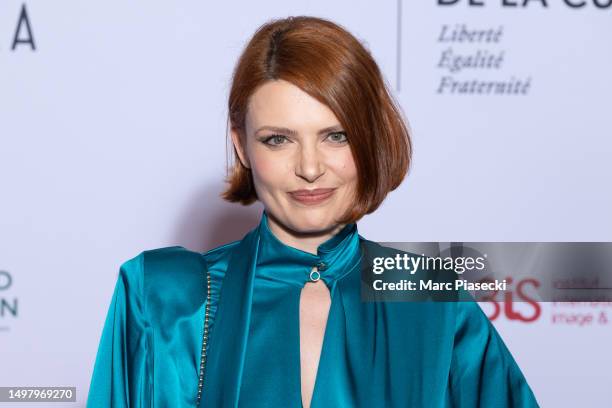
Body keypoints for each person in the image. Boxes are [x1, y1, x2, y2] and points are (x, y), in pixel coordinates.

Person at [86, 15, 540, 408]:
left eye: (335, 135)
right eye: (278, 139)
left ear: (370, 140)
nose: (309, 168)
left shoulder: (432, 301)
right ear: (241, 144)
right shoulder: (162, 298)